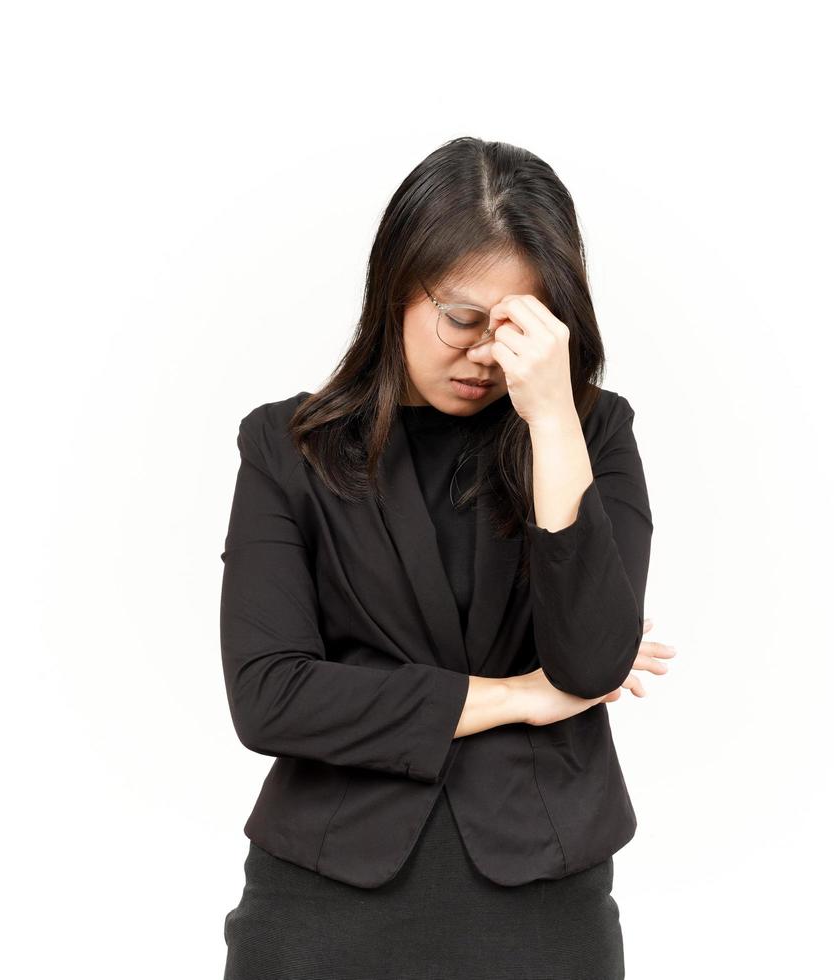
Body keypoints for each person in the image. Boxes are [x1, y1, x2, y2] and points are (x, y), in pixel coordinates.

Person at [219, 136, 676, 980]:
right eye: (463, 319)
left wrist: (550, 420)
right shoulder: (289, 449)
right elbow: (271, 697)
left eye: (516, 332)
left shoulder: (591, 435)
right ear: (396, 286)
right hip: (322, 904)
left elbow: (589, 660)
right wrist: (514, 698)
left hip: (543, 905)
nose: (482, 356)